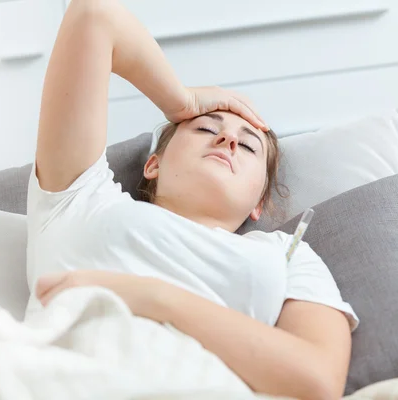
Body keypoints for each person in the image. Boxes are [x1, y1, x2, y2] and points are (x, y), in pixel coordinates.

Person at [27, 0, 359, 399]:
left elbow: (317, 381)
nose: (229, 138)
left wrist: (149, 296)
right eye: (205, 127)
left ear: (259, 202)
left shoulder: (286, 255)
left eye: (249, 147)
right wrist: (181, 101)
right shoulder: (81, 197)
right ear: (153, 164)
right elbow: (93, 15)